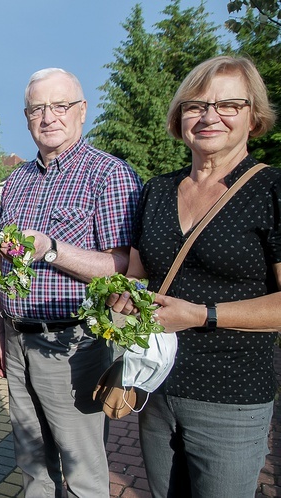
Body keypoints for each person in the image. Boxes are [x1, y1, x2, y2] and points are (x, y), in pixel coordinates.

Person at [106, 55, 279, 498]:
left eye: (228, 105)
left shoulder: (271, 190)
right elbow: (141, 277)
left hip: (232, 394)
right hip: (156, 384)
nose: (209, 117)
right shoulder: (158, 190)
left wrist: (202, 314)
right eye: (195, 105)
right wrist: (121, 298)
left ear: (254, 117)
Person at [0, 68, 142, 497]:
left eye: (60, 106)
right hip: (18, 343)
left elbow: (125, 265)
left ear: (82, 112)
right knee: (33, 465)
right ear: (26, 117)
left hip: (74, 344)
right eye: (38, 108)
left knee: (82, 473)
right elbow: (2, 265)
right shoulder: (16, 182)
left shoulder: (109, 175)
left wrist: (53, 249)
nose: (48, 116)